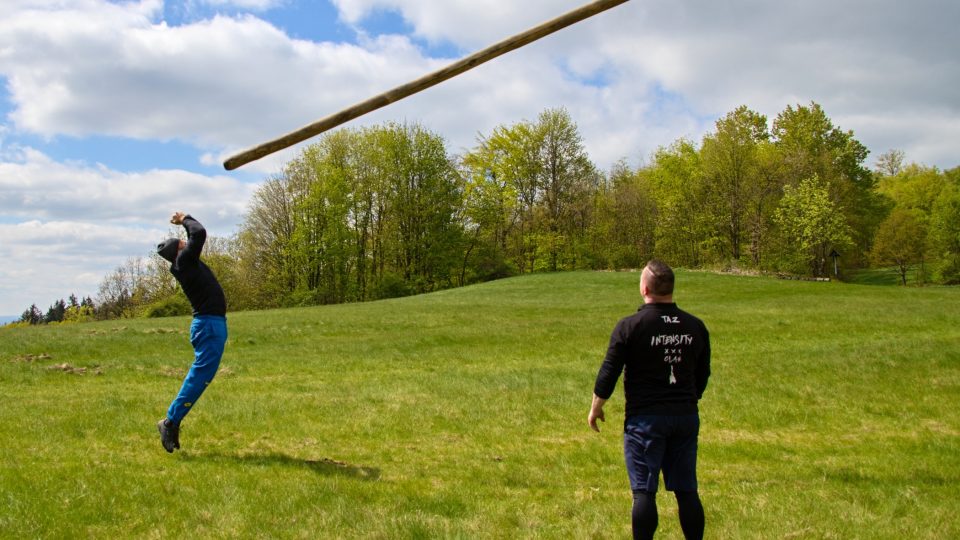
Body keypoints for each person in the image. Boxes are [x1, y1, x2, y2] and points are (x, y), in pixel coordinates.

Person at [588, 259, 711, 540]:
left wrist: (596, 407)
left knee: (644, 491)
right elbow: (703, 373)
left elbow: (610, 370)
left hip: (645, 419)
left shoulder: (631, 326)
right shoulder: (695, 326)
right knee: (686, 490)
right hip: (685, 417)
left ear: (644, 288)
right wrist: (690, 399)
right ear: (670, 288)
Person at [155, 212, 228, 453]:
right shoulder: (184, 261)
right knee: (200, 377)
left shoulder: (184, 262)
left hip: (210, 324)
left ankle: (172, 422)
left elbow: (193, 237)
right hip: (208, 326)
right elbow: (199, 233)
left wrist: (185, 224)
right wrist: (184, 218)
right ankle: (170, 421)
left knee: (202, 377)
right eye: (183, 243)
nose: (187, 242)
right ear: (179, 250)